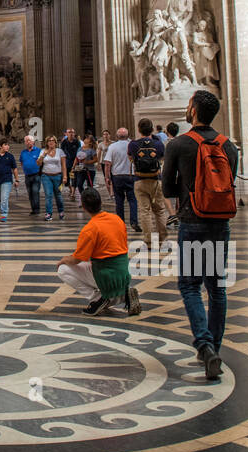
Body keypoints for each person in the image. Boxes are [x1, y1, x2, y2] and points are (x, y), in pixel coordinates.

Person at [162, 90, 238, 381]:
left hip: (192, 222)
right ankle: (214, 348)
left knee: (191, 286)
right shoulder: (228, 146)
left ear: (193, 110)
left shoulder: (179, 144)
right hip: (220, 223)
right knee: (217, 288)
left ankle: (205, 346)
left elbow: (168, 188)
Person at [56, 186, 141, 317]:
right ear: (100, 203)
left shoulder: (90, 229)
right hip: (123, 273)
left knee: (63, 269)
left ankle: (98, 298)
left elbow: (77, 259)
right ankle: (124, 294)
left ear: (83, 207)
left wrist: (63, 260)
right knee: (97, 263)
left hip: (105, 275)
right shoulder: (117, 219)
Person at [128, 117, 168, 246]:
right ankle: (162, 239)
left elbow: (130, 158)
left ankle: (149, 241)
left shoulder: (133, 144)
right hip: (156, 180)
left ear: (139, 129)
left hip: (140, 180)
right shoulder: (158, 144)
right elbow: (162, 158)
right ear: (152, 129)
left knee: (144, 211)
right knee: (160, 210)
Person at [103, 127, 142, 232]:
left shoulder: (112, 146)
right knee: (133, 200)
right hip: (131, 175)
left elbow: (107, 163)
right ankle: (134, 222)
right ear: (128, 136)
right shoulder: (133, 145)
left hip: (117, 176)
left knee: (119, 201)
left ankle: (120, 223)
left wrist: (107, 177)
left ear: (116, 136)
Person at [38, 135, 66, 220]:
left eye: (53, 140)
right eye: (49, 140)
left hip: (57, 175)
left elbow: (63, 165)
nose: (51, 142)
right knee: (48, 195)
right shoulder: (43, 151)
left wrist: (65, 176)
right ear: (47, 142)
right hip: (46, 176)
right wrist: (43, 155)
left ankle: (61, 211)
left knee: (58, 195)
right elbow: (38, 163)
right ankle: (48, 213)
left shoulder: (60, 151)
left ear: (55, 142)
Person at [19, 133, 42, 214]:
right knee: (30, 193)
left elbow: (42, 162)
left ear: (33, 142)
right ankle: (33, 209)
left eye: (29, 141)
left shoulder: (39, 151)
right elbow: (21, 162)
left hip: (36, 175)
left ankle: (37, 209)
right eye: (26, 141)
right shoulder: (23, 152)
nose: (28, 142)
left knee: (35, 191)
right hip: (27, 176)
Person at [165, 121, 181, 225]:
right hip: (180, 171)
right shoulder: (181, 142)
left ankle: (172, 213)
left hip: (169, 170)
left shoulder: (166, 143)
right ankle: (178, 213)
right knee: (179, 193)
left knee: (165, 194)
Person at [61, 127, 82, 197]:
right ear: (66, 134)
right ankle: (70, 189)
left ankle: (73, 193)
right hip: (67, 163)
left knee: (74, 178)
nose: (71, 134)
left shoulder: (77, 142)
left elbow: (79, 151)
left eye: (72, 132)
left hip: (76, 163)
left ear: (74, 133)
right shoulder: (64, 142)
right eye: (69, 132)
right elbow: (62, 152)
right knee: (66, 179)